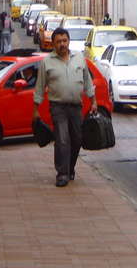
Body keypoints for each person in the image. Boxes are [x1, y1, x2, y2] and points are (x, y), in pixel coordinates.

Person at [32, 27, 97, 187]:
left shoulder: (79, 57)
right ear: (53, 44)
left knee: (77, 139)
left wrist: (93, 101)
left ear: (69, 41)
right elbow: (40, 87)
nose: (62, 44)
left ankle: (70, 168)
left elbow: (87, 81)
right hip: (58, 107)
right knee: (62, 139)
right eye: (58, 42)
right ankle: (62, 174)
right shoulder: (47, 62)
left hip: (76, 106)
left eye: (64, 41)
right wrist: (36, 109)